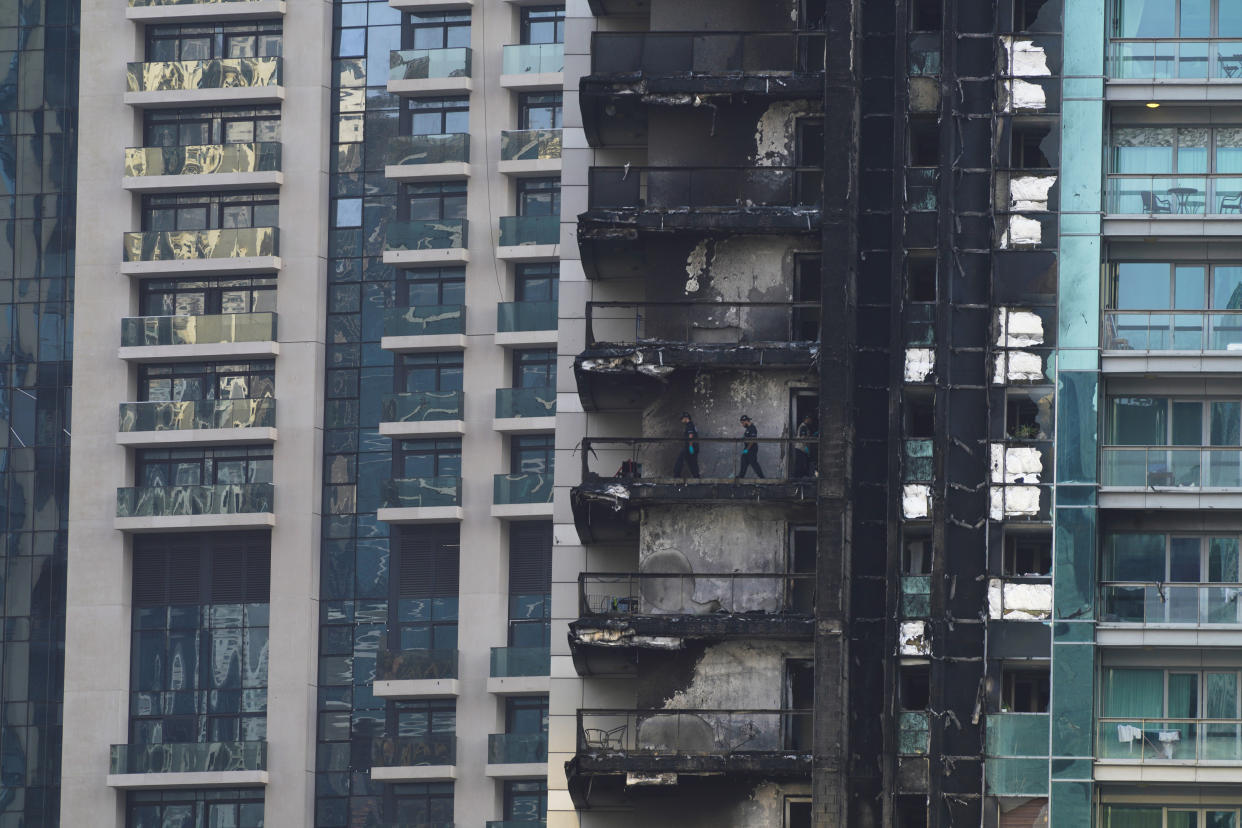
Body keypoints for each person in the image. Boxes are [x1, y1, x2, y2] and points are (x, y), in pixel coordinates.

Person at [673, 411, 700, 478]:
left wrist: (690, 447)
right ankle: (696, 477)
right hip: (694, 447)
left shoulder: (689, 425)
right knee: (692, 463)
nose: (681, 420)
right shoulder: (692, 425)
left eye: (682, 418)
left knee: (680, 460)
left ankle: (676, 476)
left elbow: (690, 435)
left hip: (690, 447)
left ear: (686, 418)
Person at [793, 413, 817, 478]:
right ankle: (797, 480)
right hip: (800, 449)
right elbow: (803, 437)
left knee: (803, 465)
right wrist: (812, 438)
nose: (811, 421)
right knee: (800, 465)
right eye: (810, 419)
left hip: (803, 450)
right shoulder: (803, 426)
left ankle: (801, 479)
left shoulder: (806, 427)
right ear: (807, 419)